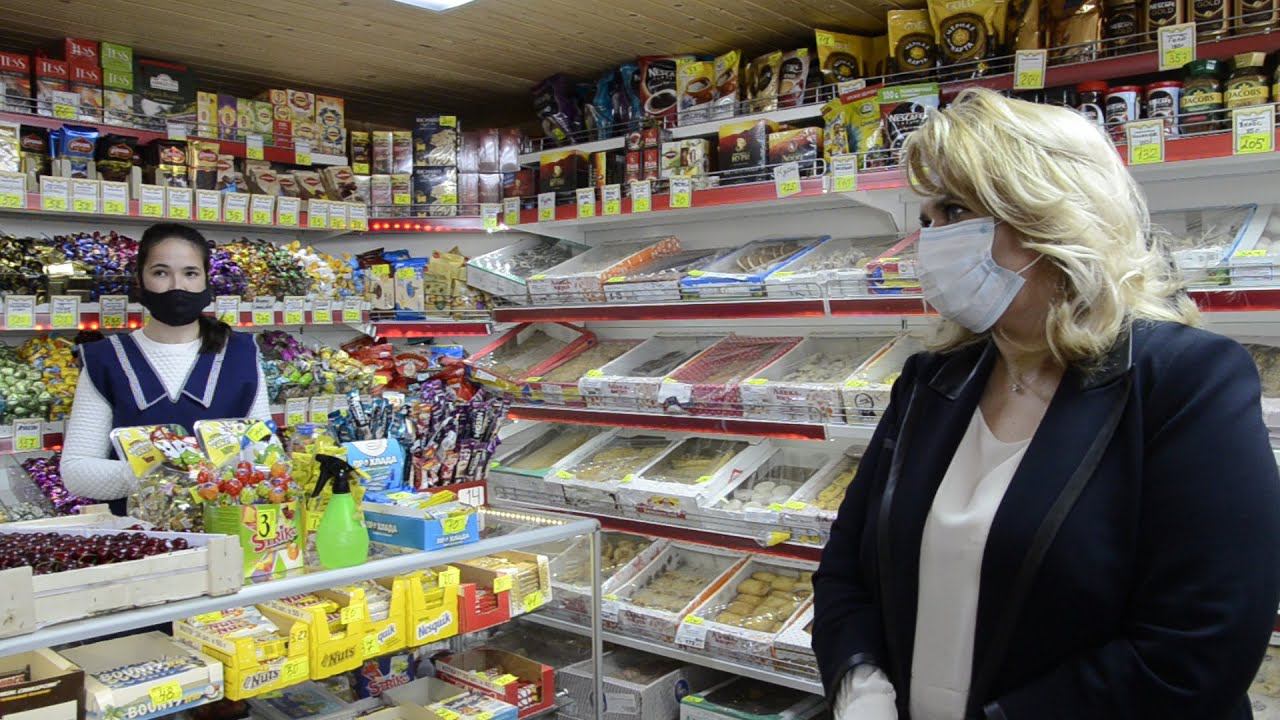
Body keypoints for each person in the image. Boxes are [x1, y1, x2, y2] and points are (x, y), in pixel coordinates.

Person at [812, 88, 1280, 720]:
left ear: (1048, 215)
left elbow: (1199, 647)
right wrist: (861, 688)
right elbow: (846, 569)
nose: (931, 241)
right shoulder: (932, 381)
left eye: (954, 211)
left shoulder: (1187, 381)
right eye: (927, 219)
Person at [62, 223, 270, 514]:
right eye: (161, 273)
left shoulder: (241, 354)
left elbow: (265, 454)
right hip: (138, 533)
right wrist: (164, 475)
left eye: (190, 273)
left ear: (206, 280)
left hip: (228, 527)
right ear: (140, 280)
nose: (176, 286)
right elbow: (76, 470)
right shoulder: (105, 359)